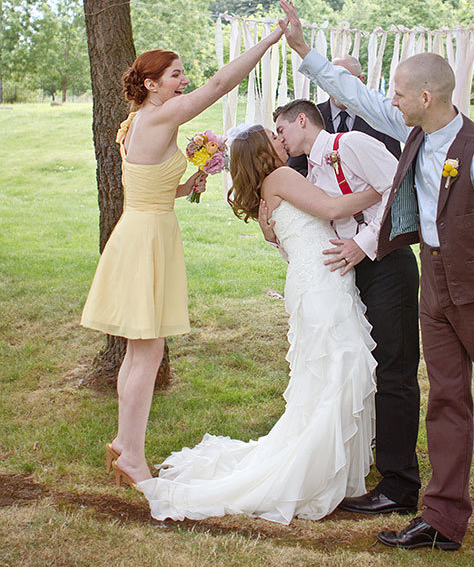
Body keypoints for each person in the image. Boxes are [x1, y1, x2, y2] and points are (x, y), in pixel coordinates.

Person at [278, 0, 474, 550]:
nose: (390, 100)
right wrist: (304, 49)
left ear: (425, 98)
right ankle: (443, 520)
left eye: (398, 93)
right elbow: (356, 95)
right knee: (446, 396)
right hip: (434, 281)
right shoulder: (413, 130)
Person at [136, 124, 382, 524]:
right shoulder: (282, 177)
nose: (280, 140)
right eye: (274, 136)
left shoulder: (271, 186)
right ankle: (313, 470)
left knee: (327, 375)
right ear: (262, 150)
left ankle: (329, 463)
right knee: (338, 370)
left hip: (315, 282)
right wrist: (383, 187)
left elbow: (283, 235)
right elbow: (334, 210)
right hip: (321, 287)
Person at [80, 22, 287, 487]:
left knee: (141, 350)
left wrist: (184, 186)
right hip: (147, 238)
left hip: (142, 228)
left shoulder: (134, 122)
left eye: (182, 74)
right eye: (175, 74)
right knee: (148, 350)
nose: (184, 81)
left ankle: (124, 443)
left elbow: (145, 185)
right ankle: (131, 453)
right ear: (151, 84)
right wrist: (269, 41)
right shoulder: (159, 116)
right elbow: (219, 85)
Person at [261, 98, 422, 516]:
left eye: (282, 129)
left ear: (301, 121)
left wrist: (362, 245)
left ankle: (400, 486)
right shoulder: (310, 170)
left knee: (394, 370)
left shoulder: (350, 144)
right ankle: (378, 460)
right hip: (351, 274)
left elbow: (400, 188)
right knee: (367, 366)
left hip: (386, 263)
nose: (280, 138)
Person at [286, 54, 401, 177]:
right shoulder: (309, 117)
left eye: (344, 82)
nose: (338, 88)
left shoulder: (378, 117)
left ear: (361, 81)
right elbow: (295, 168)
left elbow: (395, 166)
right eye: (332, 82)